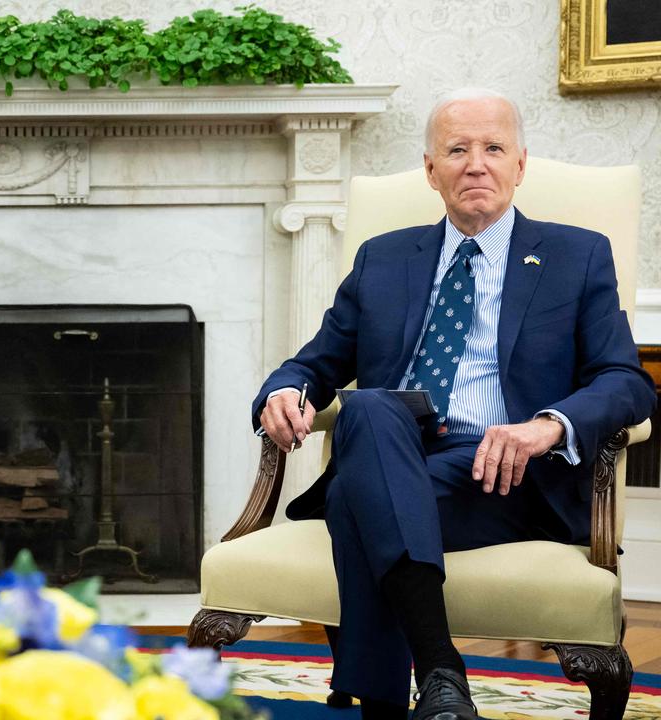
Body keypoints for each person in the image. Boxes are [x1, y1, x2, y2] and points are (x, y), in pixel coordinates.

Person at [254, 88, 655, 720]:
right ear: (430, 170)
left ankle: (382, 703)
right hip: (397, 449)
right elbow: (316, 362)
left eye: (493, 148)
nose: (476, 164)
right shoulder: (384, 258)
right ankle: (442, 674)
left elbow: (626, 381)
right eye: (457, 150)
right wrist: (284, 392)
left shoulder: (576, 255)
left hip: (508, 474)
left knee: (353, 500)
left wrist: (547, 427)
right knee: (368, 410)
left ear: (520, 165)